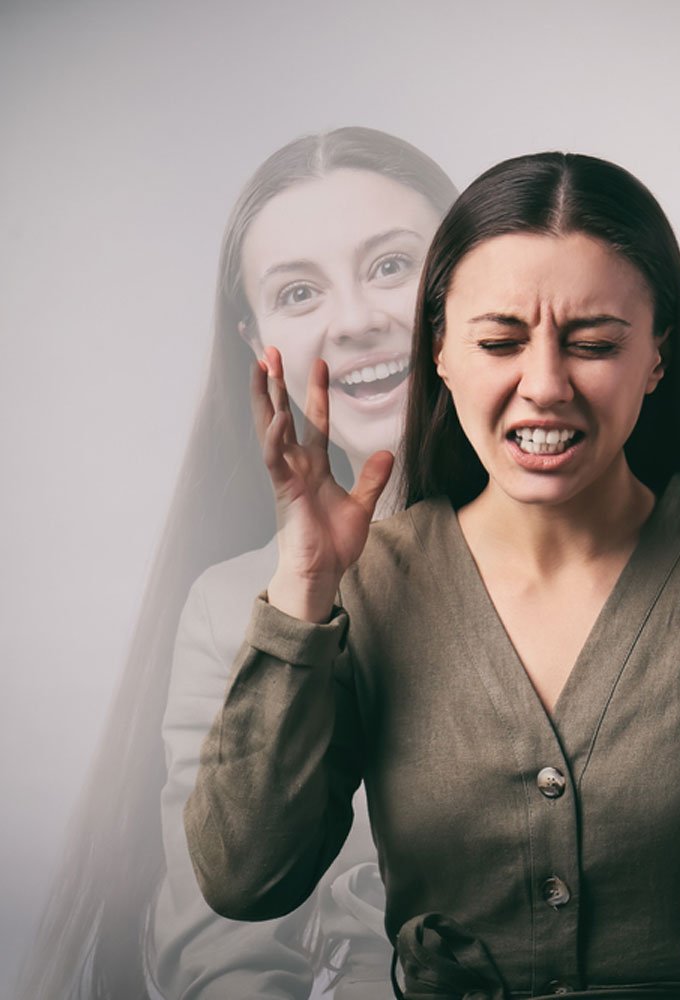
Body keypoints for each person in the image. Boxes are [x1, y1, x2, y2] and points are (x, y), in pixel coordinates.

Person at [184, 152, 680, 1000]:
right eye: (499, 343)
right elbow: (245, 878)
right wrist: (304, 589)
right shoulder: (368, 583)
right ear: (439, 351)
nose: (545, 386)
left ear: (658, 357)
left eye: (594, 344)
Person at [15, 127, 457, 1000]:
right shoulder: (236, 608)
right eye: (300, 291)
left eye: (391, 266)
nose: (355, 319)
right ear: (259, 341)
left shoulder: (645, 543)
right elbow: (226, 954)